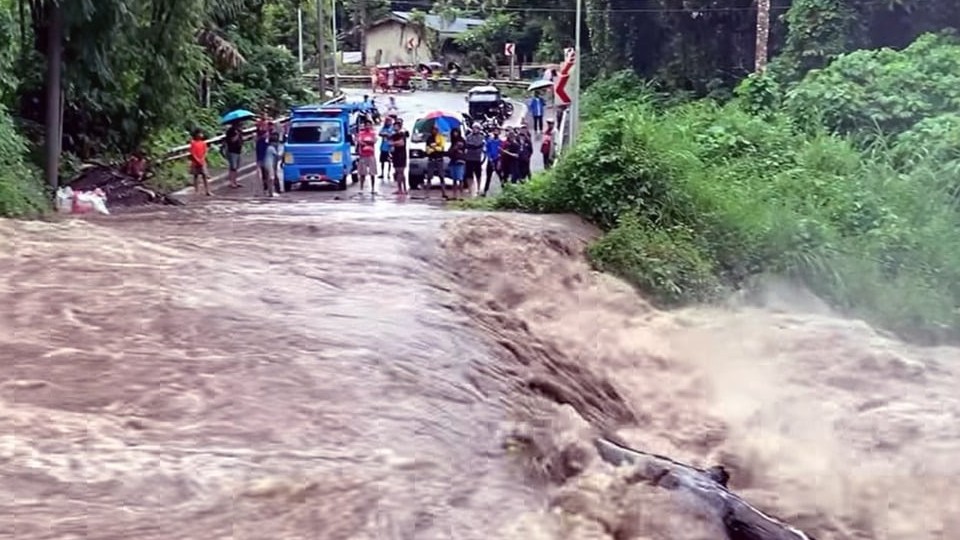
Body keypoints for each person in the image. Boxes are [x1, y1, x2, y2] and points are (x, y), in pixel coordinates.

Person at [357, 119, 379, 193]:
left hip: (371, 155)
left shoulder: (373, 133)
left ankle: (373, 188)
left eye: (369, 125)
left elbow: (374, 141)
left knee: (372, 173)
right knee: (362, 173)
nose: (368, 126)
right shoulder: (361, 133)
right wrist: (368, 142)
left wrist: (366, 142)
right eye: (366, 125)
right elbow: (359, 141)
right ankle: (361, 188)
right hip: (363, 155)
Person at [189, 129, 212, 196]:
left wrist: (202, 159)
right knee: (195, 176)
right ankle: (196, 191)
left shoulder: (203, 143)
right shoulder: (193, 143)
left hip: (202, 161)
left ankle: (207, 190)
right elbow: (192, 153)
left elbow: (205, 152)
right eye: (199, 134)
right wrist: (197, 159)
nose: (201, 135)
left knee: (205, 176)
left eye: (201, 134)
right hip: (195, 162)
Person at [425, 125, 446, 197]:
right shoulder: (429, 139)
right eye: (433, 130)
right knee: (429, 177)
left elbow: (442, 148)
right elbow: (428, 150)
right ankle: (427, 194)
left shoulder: (441, 138)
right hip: (431, 159)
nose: (434, 131)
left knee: (442, 176)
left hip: (439, 159)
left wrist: (434, 147)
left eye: (436, 130)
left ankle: (444, 193)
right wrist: (435, 147)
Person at [464, 123, 485, 197]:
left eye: (476, 128)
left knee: (478, 174)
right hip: (469, 158)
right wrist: (474, 146)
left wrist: (474, 146)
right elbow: (468, 145)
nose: (475, 129)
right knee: (469, 175)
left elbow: (479, 146)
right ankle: (470, 189)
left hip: (477, 158)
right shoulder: (468, 137)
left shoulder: (481, 137)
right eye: (473, 128)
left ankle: (478, 189)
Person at [390, 118, 409, 195]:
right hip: (395, 154)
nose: (395, 127)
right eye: (394, 126)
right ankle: (400, 188)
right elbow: (389, 142)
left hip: (401, 155)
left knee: (401, 172)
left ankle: (403, 189)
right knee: (398, 172)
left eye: (397, 126)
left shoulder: (402, 134)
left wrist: (393, 143)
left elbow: (401, 143)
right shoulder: (394, 135)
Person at [223, 122, 244, 188]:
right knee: (233, 167)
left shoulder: (239, 131)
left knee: (236, 167)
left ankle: (235, 181)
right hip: (232, 151)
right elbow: (232, 140)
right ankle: (231, 182)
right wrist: (237, 135)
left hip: (238, 151)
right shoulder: (231, 131)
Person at [447, 128, 466, 200]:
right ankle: (454, 195)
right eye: (454, 132)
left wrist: (457, 148)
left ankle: (461, 195)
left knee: (460, 179)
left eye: (456, 132)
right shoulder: (453, 142)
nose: (455, 134)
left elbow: (462, 148)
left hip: (460, 161)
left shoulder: (461, 141)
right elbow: (450, 152)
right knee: (454, 179)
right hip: (453, 161)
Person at [482, 127, 502, 197]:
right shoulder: (489, 141)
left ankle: (505, 190)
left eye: (497, 131)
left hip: (497, 160)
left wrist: (499, 159)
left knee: (500, 176)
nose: (496, 132)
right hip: (490, 160)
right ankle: (485, 191)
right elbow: (487, 150)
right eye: (495, 131)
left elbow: (501, 151)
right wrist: (489, 158)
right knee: (488, 177)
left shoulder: (500, 142)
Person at [262, 132, 282, 197]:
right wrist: (283, 154)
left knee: (268, 178)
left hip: (265, 163)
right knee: (271, 178)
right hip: (269, 164)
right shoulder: (271, 148)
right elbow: (278, 156)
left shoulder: (267, 148)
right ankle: (271, 193)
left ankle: (269, 191)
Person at [379, 117, 395, 181]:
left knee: (389, 162)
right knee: (382, 161)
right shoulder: (384, 128)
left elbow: (393, 134)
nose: (387, 122)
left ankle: (388, 174)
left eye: (389, 121)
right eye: (387, 121)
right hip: (383, 147)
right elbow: (380, 133)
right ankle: (382, 173)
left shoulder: (392, 128)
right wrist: (384, 134)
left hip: (390, 147)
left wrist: (388, 135)